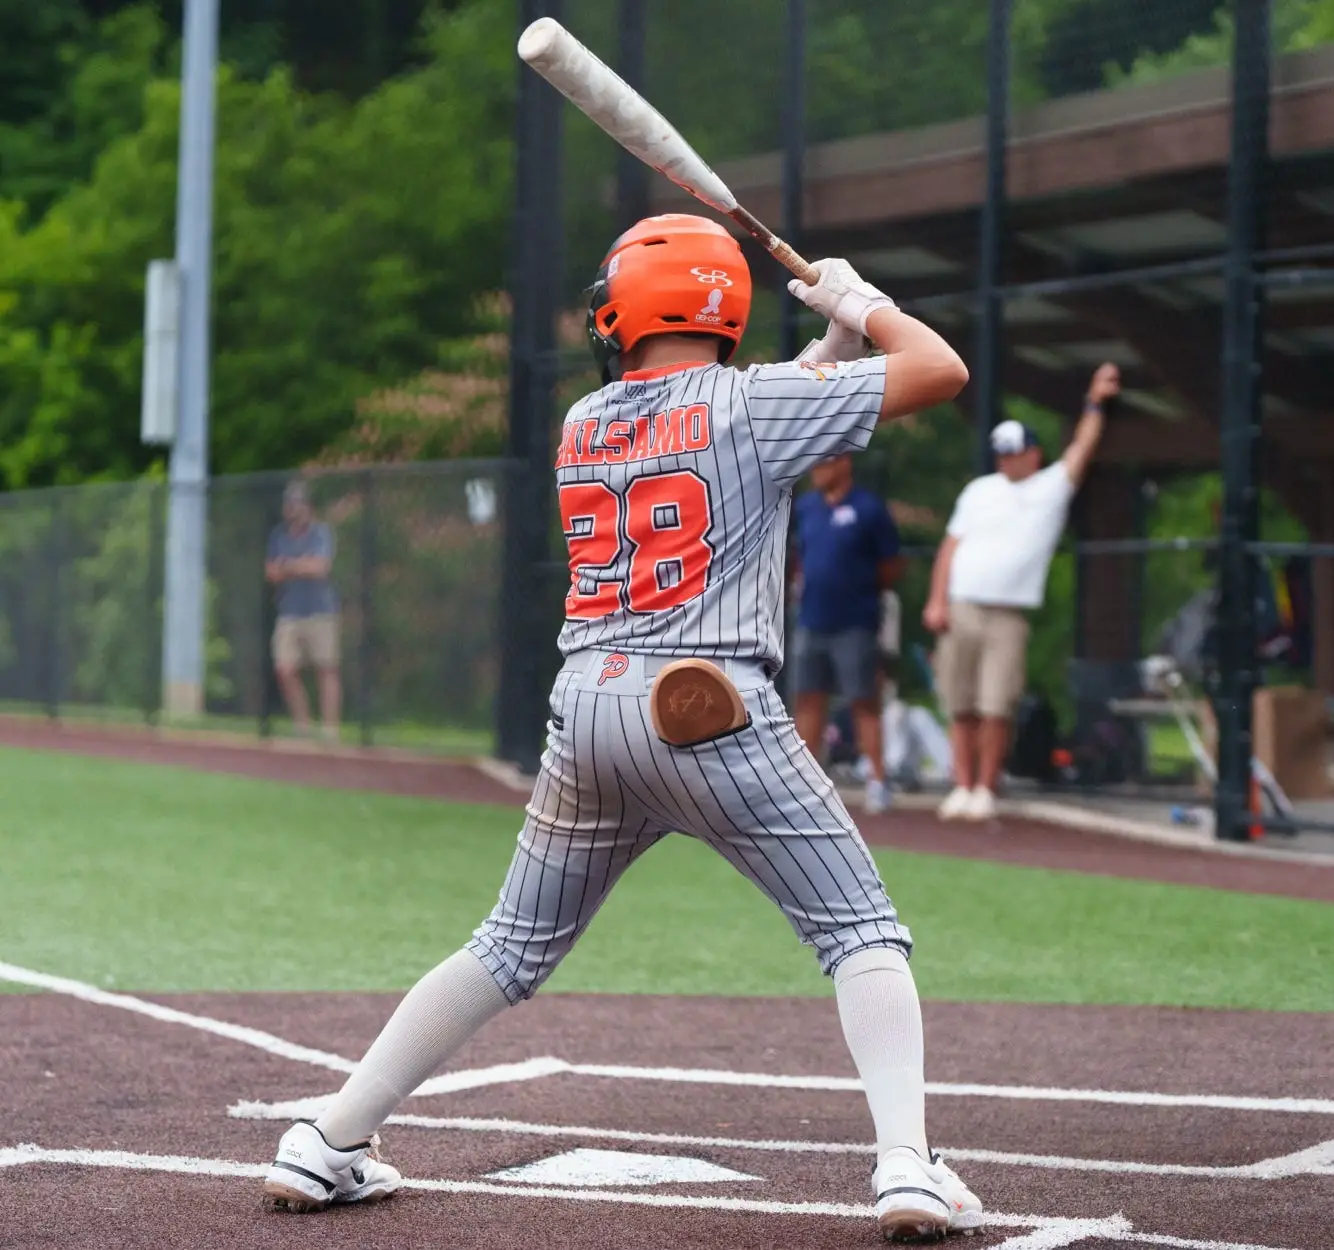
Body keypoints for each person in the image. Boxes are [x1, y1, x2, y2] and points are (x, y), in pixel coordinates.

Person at [260, 215, 982, 1241]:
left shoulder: (585, 420)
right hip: (709, 705)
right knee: (859, 932)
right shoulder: (751, 403)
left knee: (505, 948)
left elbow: (758, 416)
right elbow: (939, 369)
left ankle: (328, 1138)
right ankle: (907, 1164)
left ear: (628, 313)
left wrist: (831, 345)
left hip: (588, 711)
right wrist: (860, 306)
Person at [924, 363, 1119, 821]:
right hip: (963, 606)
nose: (1007, 461)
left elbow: (1082, 448)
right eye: (1001, 454)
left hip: (1008, 614)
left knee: (997, 705)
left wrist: (1094, 402)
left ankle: (986, 788)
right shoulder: (979, 490)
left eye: (1014, 453)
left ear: (1033, 453)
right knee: (960, 702)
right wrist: (937, 600)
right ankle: (962, 785)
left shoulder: (1051, 488)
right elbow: (950, 547)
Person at [791, 453, 905, 813]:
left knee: (863, 701)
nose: (816, 470)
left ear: (844, 463)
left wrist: (860, 591)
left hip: (855, 622)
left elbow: (891, 566)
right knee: (808, 699)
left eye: (823, 462)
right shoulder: (806, 508)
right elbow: (800, 557)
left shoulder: (869, 508)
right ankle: (807, 782)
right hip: (811, 619)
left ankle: (877, 780)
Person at [265, 480, 341, 742]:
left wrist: (288, 566)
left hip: (320, 611)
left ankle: (330, 729)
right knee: (284, 669)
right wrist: (299, 566)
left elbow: (320, 568)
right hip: (289, 612)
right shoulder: (279, 536)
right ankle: (303, 726)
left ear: (308, 506)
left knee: (326, 668)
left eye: (298, 503)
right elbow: (271, 573)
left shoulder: (320, 533)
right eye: (290, 504)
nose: (293, 509)